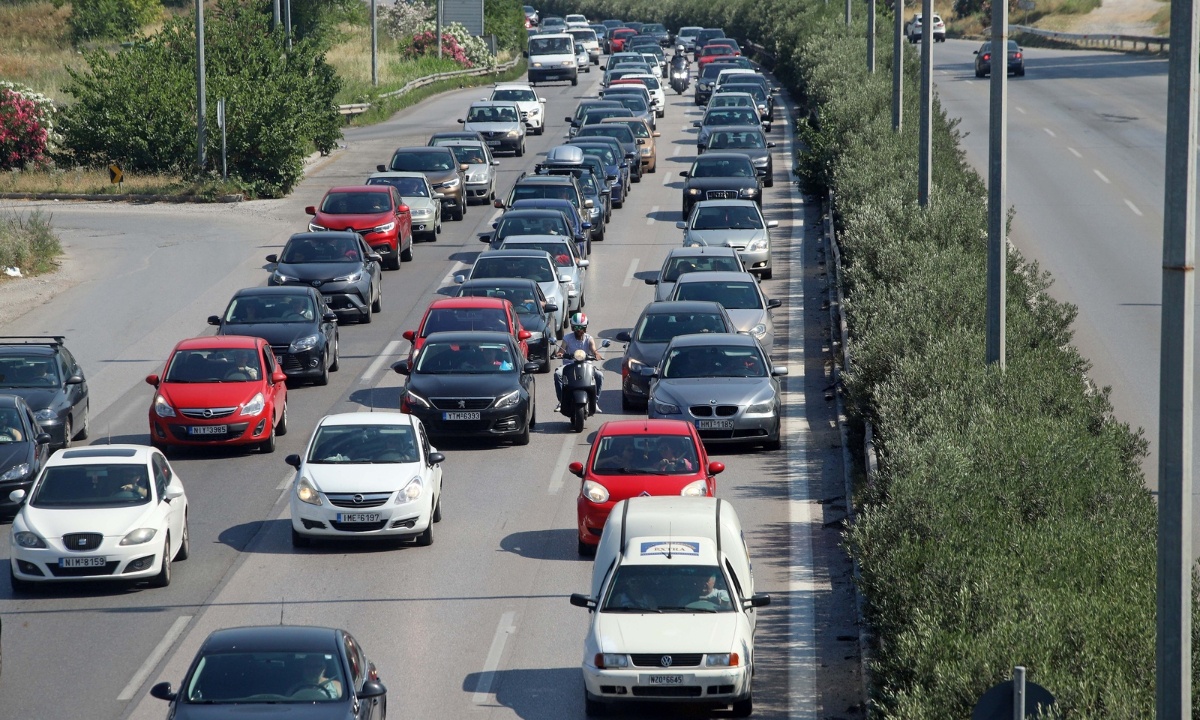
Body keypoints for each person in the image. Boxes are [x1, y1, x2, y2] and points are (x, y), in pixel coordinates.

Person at [553, 312, 603, 412]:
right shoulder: (567, 338)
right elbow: (561, 350)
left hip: (586, 365)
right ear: (572, 328)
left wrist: (596, 355)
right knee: (557, 374)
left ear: (585, 328)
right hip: (569, 365)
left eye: (582, 328)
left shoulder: (589, 338)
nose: (579, 330)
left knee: (599, 375)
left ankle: (595, 401)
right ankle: (561, 401)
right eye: (576, 328)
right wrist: (559, 354)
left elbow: (594, 349)